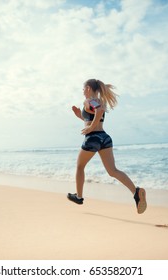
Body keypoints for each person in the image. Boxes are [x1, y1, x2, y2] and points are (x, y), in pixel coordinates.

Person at [67, 78, 147, 214]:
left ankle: (79, 197)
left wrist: (90, 128)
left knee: (80, 166)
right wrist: (80, 116)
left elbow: (98, 112)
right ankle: (136, 192)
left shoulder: (89, 101)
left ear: (88, 88)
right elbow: (94, 116)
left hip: (93, 138)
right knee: (113, 171)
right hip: (104, 138)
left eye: (83, 89)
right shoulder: (99, 101)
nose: (82, 92)